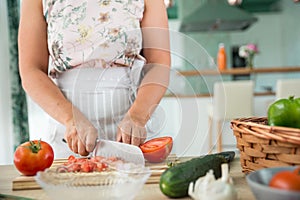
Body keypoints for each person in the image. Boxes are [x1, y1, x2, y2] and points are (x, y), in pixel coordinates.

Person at [18, 0, 170, 158]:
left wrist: (138, 116)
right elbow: (31, 70)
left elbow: (159, 63)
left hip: (131, 128)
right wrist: (70, 119)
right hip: (67, 132)